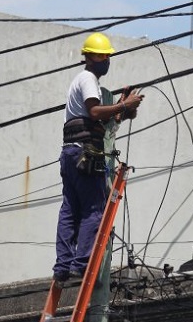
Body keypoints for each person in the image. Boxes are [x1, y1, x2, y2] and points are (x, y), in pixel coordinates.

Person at [53, 32, 144, 284]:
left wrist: (123, 109)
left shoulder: (80, 82)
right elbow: (94, 111)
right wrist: (123, 106)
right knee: (93, 209)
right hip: (83, 152)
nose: (106, 60)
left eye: (107, 56)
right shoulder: (87, 78)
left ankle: (62, 266)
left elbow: (104, 119)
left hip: (71, 153)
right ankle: (81, 265)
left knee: (70, 209)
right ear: (90, 58)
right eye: (102, 56)